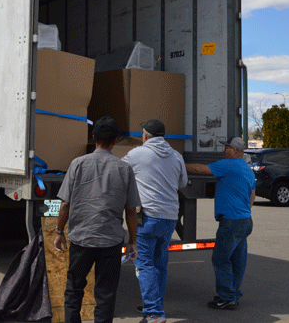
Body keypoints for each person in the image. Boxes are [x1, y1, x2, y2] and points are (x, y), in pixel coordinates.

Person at [54, 116, 141, 323]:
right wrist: (132, 242)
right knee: (106, 293)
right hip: (110, 241)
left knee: (74, 288)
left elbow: (65, 204)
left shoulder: (77, 164)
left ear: (94, 138)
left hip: (81, 239)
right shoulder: (124, 169)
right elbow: (131, 211)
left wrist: (59, 232)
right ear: (115, 141)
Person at [122, 119, 188, 323]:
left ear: (145, 136)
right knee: (160, 264)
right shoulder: (176, 156)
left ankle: (153, 313)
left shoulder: (137, 154)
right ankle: (154, 305)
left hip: (148, 217)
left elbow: (119, 170)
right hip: (169, 218)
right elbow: (183, 182)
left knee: (144, 265)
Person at [185, 136, 255, 310]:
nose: (225, 150)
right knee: (238, 260)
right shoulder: (247, 169)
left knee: (221, 259)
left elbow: (201, 169)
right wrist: (243, 211)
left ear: (236, 150)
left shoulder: (228, 165)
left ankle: (227, 296)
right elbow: (252, 195)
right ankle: (232, 293)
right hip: (245, 220)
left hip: (231, 221)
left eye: (228, 148)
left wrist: (177, 164)